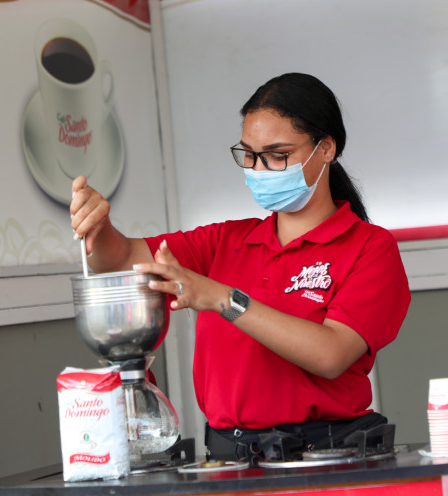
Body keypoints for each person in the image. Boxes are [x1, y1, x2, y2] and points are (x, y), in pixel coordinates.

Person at [70, 72, 411, 463]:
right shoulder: (225, 241)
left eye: (277, 154)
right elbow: (119, 258)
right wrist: (98, 227)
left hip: (324, 459)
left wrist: (223, 299)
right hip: (229, 460)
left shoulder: (369, 247)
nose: (259, 169)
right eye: (249, 155)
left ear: (326, 148)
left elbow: (331, 355)